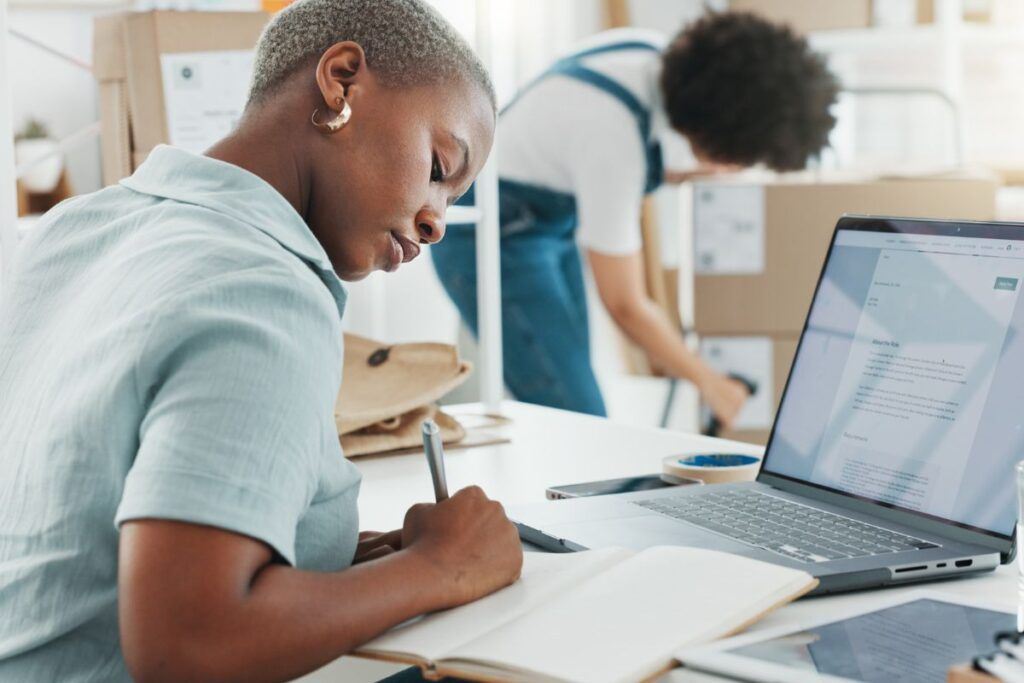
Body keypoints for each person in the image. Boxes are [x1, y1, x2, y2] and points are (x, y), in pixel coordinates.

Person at [0, 1, 523, 681]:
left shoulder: (74, 227)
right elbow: (188, 642)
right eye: (438, 167)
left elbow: (80, 527)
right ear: (341, 80)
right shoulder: (261, 287)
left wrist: (316, 561)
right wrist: (438, 567)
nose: (436, 223)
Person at [431, 12, 839, 426]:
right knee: (579, 415)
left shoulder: (651, 56)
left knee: (571, 389)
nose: (735, 168)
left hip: (544, 221)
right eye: (739, 158)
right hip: (488, 235)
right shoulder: (614, 137)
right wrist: (711, 383)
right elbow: (626, 305)